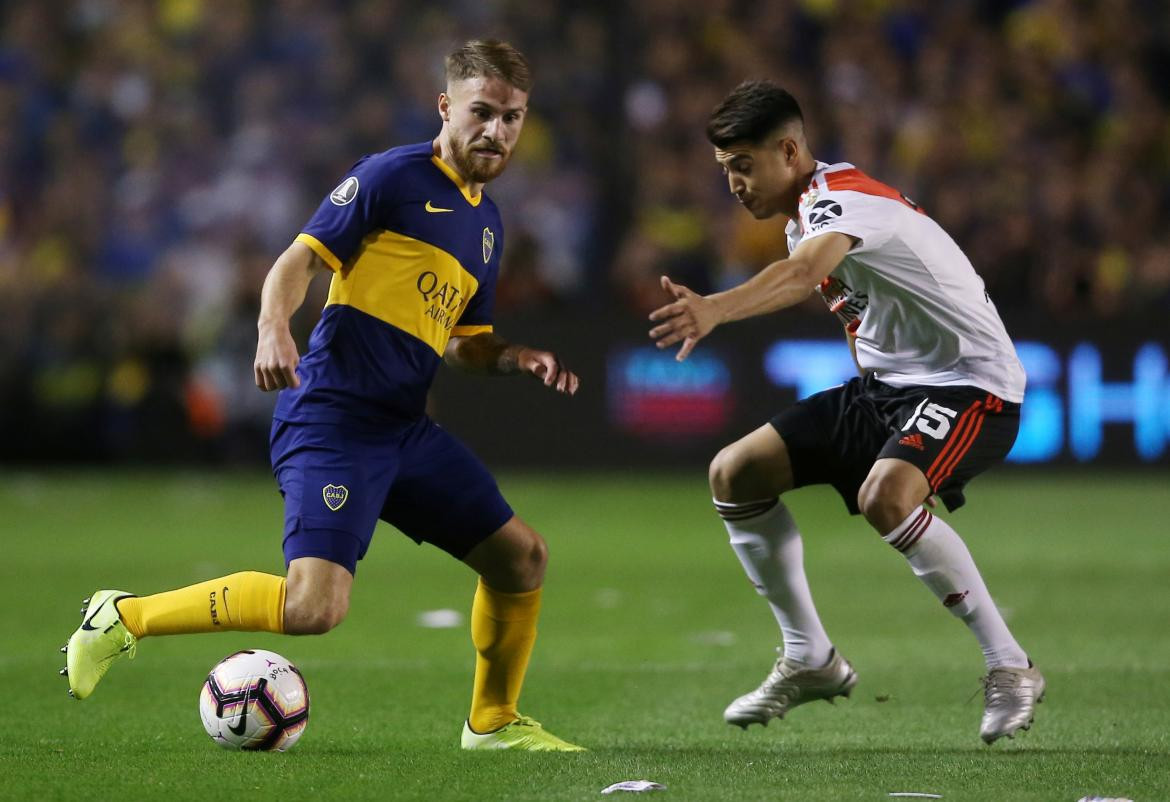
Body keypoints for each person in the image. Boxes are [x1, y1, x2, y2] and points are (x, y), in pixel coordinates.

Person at [62, 39, 584, 753]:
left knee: (521, 558)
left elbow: (466, 341)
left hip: (403, 430)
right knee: (313, 607)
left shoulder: (487, 226)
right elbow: (297, 260)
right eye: (483, 113)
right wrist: (273, 327)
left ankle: (491, 723)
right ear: (445, 107)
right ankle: (121, 616)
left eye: (513, 118)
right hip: (333, 418)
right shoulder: (392, 177)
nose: (497, 132)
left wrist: (514, 356)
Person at [648, 80, 1043, 745]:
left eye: (743, 165)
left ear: (790, 149)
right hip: (889, 390)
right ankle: (809, 658)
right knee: (734, 473)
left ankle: (1010, 667)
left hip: (970, 387)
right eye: (725, 170)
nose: (734, 184)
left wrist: (715, 307)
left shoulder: (843, 200)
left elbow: (802, 277)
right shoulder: (807, 213)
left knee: (887, 496)